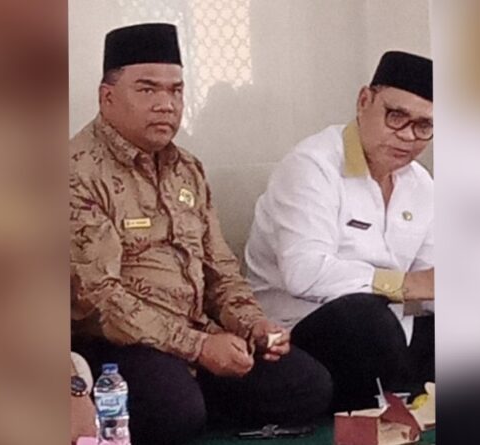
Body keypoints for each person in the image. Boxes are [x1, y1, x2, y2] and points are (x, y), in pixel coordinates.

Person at [69, 23, 331, 445]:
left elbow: (220, 267)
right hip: (119, 344)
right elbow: (98, 299)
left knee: (308, 385)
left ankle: (196, 395)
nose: (165, 104)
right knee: (174, 410)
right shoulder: (76, 171)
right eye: (147, 89)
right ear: (107, 97)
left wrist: (252, 324)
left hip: (197, 332)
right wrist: (199, 348)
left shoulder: (187, 168)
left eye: (176, 91)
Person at [245, 51, 435, 412]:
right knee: (365, 318)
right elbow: (304, 272)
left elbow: (431, 283)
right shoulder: (311, 166)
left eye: (423, 126)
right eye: (396, 117)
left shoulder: (421, 184)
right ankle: (395, 393)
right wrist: (406, 285)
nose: (408, 136)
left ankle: (400, 392)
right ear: (364, 101)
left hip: (392, 327)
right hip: (300, 331)